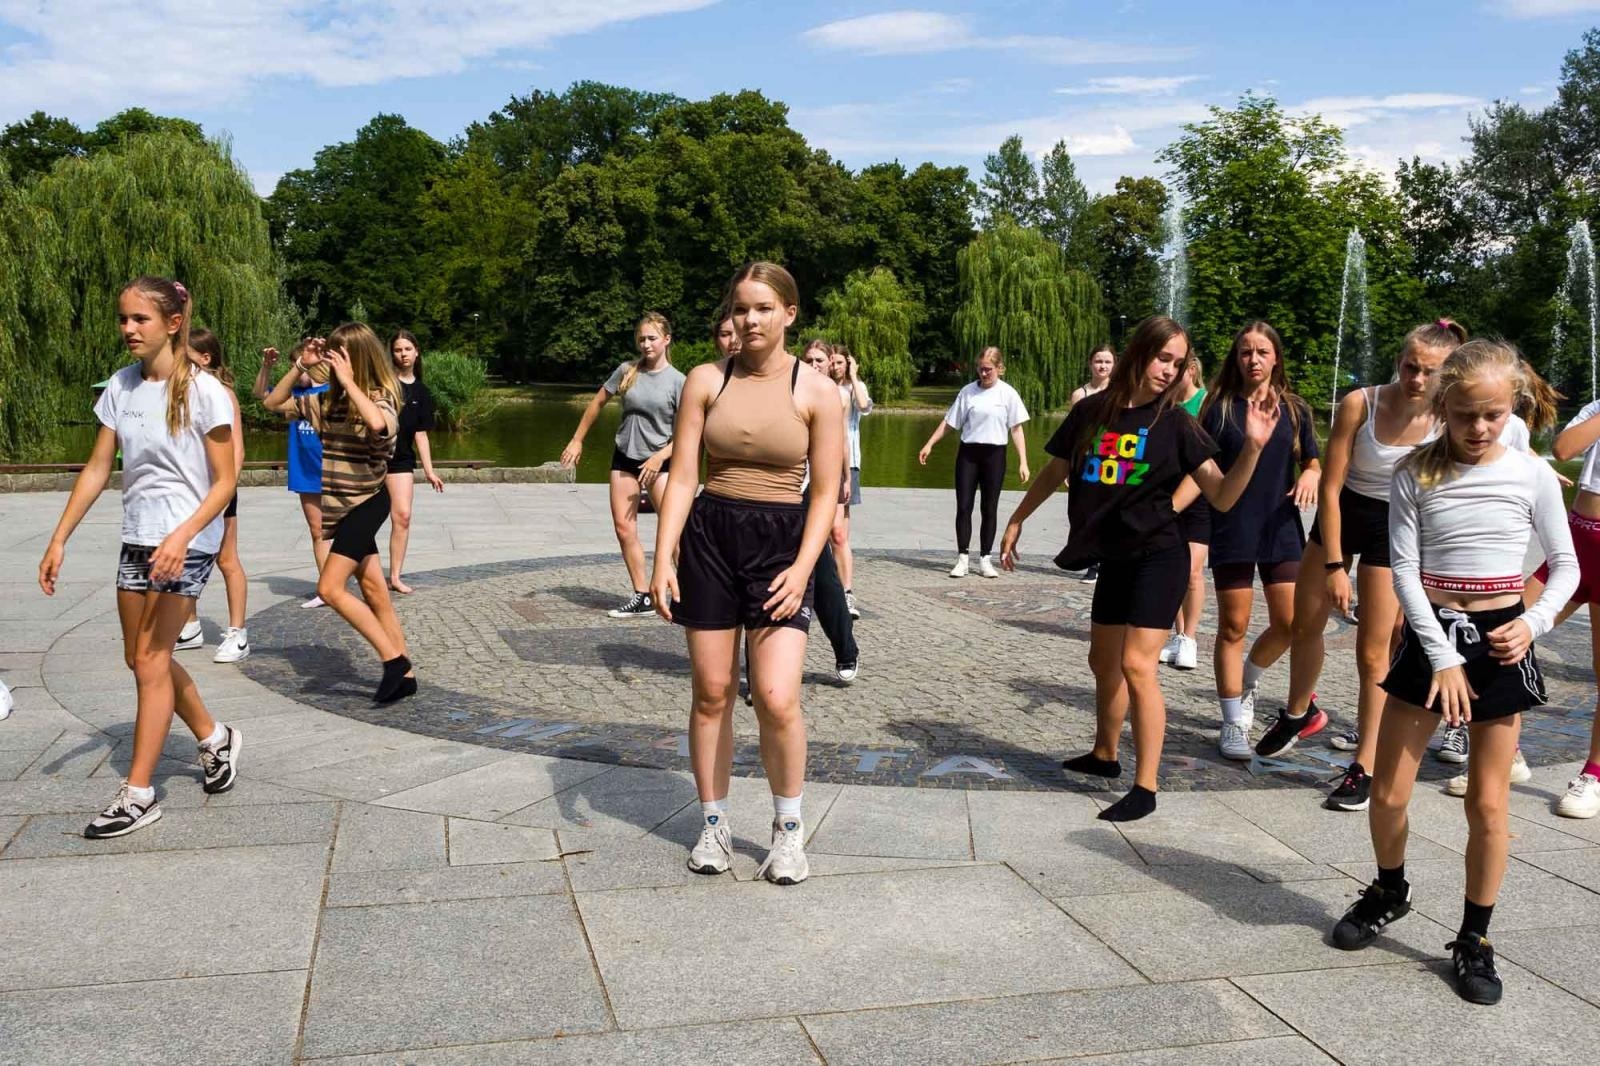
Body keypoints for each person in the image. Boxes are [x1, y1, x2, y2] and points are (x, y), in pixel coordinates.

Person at [1331, 339, 1576, 1007]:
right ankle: (1389, 887)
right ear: (1442, 406)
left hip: (1501, 641)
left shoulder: (1528, 473)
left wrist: (1536, 622)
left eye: (1494, 415)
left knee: (1488, 805)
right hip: (1432, 635)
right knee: (1387, 793)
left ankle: (1476, 937)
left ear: (1513, 408)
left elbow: (1568, 563)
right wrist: (1438, 654)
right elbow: (1404, 569)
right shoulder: (1415, 472)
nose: (1479, 429)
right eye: (1466, 415)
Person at [1000, 317, 1276, 822]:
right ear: (1137, 354)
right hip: (1116, 556)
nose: (1169, 371)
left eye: (1178, 362)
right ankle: (1105, 755)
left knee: (1136, 665)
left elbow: (1221, 493)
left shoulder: (1174, 423)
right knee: (1101, 661)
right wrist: (1018, 517)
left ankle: (1145, 785)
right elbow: (1056, 469)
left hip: (1161, 555)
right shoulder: (1090, 410)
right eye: (1162, 358)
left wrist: (1253, 449)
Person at [651, 262, 843, 885]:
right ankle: (714, 823)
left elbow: (825, 494)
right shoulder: (707, 379)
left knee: (779, 697)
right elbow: (683, 476)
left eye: (763, 308)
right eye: (740, 308)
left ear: (790, 313)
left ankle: (788, 830)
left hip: (782, 544)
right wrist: (662, 557)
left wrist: (804, 567)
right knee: (711, 693)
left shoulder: (817, 391)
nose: (750, 319)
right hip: (711, 537)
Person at [39, 277, 243, 838]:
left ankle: (139, 793)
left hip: (189, 542)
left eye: (140, 320)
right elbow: (99, 466)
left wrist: (183, 536)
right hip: (138, 537)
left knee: (153, 661)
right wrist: (60, 538)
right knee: (138, 659)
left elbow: (226, 481)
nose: (128, 329)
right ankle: (213, 736)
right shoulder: (121, 387)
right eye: (123, 318)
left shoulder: (207, 392)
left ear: (172, 323)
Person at [1261, 322, 1467, 811]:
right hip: (1345, 511)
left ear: (1448, 374)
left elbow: (1451, 494)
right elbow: (1329, 488)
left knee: (1373, 651)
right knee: (1303, 622)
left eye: (1429, 372)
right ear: (1398, 360)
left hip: (1395, 527)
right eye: (1409, 366)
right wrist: (1334, 564)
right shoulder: (1362, 402)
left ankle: (1365, 765)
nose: (1416, 379)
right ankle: (1298, 712)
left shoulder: (1450, 416)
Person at [263, 324, 416, 703]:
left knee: (330, 589)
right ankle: (406, 673)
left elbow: (379, 424)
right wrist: (300, 365)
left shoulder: (383, 397)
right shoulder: (327, 401)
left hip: (367, 502)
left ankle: (393, 661)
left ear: (357, 358)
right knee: (374, 591)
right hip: (342, 507)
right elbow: (271, 402)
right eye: (329, 353)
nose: (331, 360)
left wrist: (349, 381)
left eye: (338, 354)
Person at [1201, 322, 1321, 759]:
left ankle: (1249, 678)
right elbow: (1202, 469)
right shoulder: (1219, 408)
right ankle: (1232, 720)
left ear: (1276, 358)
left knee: (1291, 623)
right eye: (1246, 352)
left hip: (1281, 525)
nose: (1253, 359)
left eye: (1262, 352)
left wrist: (1311, 471)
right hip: (1233, 524)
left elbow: (1312, 458)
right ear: (1236, 358)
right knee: (1232, 626)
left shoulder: (1295, 409)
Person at [561, 313, 685, 618]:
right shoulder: (627, 371)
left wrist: (660, 457)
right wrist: (577, 440)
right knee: (623, 527)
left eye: (652, 338)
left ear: (666, 340)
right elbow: (597, 403)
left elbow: (686, 434)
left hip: (660, 461)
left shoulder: (679, 382)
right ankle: (642, 595)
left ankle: (690, 593)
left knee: (675, 532)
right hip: (625, 457)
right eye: (641, 339)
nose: (646, 344)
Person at [1516, 396, 1600, 818]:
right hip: (1578, 541)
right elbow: (1565, 450)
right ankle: (1507, 753)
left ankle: (1592, 774)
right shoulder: (1596, 408)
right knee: (1509, 632)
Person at [918, 347, 1031, 579]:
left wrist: (1023, 461)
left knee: (989, 507)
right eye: (980, 369)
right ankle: (962, 558)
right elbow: (950, 422)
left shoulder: (1007, 394)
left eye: (988, 369)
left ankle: (985, 558)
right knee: (964, 506)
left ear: (1000, 369)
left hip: (995, 454)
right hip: (969, 453)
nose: (984, 373)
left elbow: (1016, 429)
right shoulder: (968, 392)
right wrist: (930, 443)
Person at [174, 327, 251, 664]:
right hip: (188, 490)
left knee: (226, 559)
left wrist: (226, 490)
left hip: (219, 490)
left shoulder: (222, 393)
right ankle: (189, 625)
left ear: (205, 358)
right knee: (182, 556)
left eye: (185, 354)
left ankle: (238, 633)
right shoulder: (181, 393)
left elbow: (237, 449)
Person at [803, 342, 863, 683]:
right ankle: (758, 669)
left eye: (819, 360)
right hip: (782, 491)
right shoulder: (788, 386)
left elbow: (841, 440)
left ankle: (846, 649)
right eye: (808, 359)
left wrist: (843, 478)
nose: (813, 364)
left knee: (824, 575)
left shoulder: (834, 396)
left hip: (817, 488)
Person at [256, 341, 330, 609]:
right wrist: (267, 367)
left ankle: (345, 580)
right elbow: (263, 397)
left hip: (333, 471)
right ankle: (327, 589)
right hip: (305, 471)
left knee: (346, 531)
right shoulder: (294, 395)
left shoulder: (330, 392)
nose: (294, 370)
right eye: (293, 366)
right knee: (317, 530)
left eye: (299, 364)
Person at [385, 330, 445, 594]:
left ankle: (395, 576)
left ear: (416, 352)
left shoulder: (422, 391)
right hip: (373, 460)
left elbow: (421, 434)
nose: (403, 354)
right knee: (361, 518)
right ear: (392, 353)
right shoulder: (383, 384)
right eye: (398, 350)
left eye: (407, 349)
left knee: (403, 516)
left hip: (402, 462)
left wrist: (429, 471)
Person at [1160, 354, 1209, 670]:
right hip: (1166, 493)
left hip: (1200, 495)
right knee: (1173, 569)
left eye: (1176, 369)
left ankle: (1190, 638)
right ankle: (1178, 635)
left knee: (1192, 571)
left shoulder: (1207, 403)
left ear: (1190, 370)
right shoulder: (1164, 405)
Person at [830, 344, 871, 618]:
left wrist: (854, 376)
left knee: (840, 532)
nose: (835, 367)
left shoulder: (853, 387)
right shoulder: (817, 386)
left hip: (849, 463)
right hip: (819, 462)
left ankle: (846, 591)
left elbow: (864, 405)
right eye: (832, 362)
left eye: (840, 363)